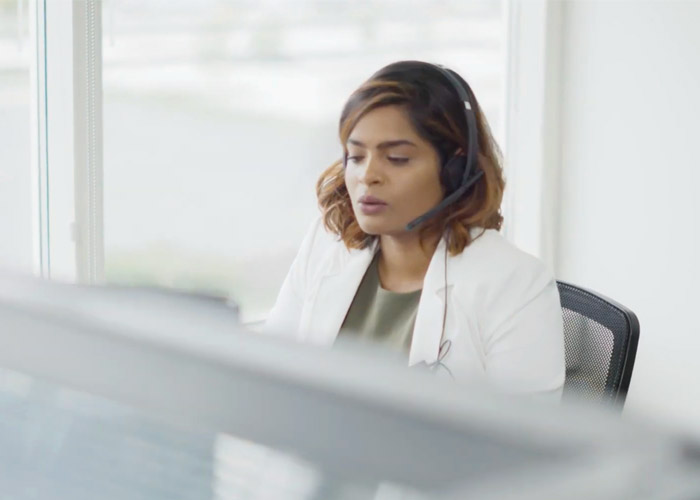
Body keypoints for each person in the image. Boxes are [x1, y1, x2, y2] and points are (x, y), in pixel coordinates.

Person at [265, 60, 565, 398]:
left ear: (454, 169)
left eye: (397, 159)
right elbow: (269, 378)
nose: (368, 176)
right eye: (356, 157)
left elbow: (524, 442)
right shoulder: (326, 245)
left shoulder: (515, 282)